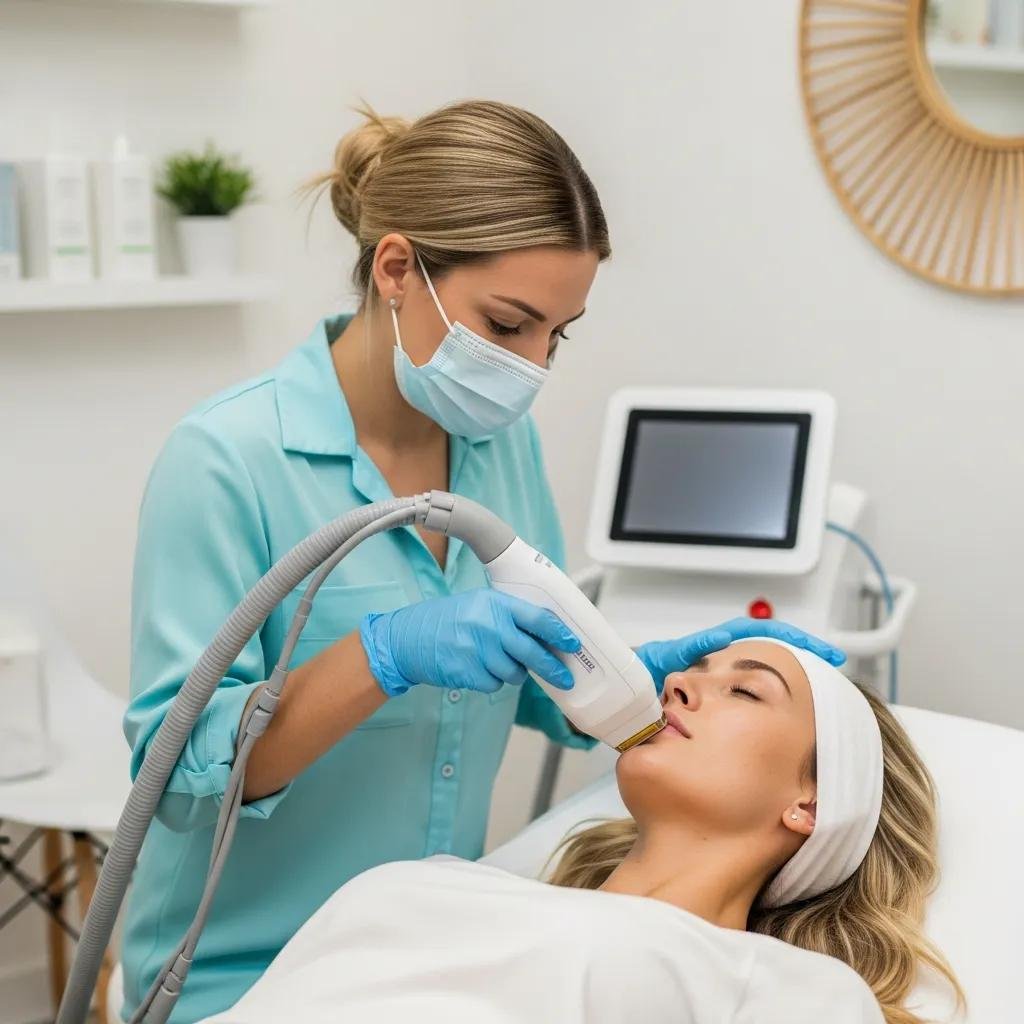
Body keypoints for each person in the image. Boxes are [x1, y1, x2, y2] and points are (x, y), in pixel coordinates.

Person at [119, 98, 843, 1022]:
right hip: (240, 972)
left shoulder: (498, 448)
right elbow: (175, 780)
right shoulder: (228, 460)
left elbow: (529, 675)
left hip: (433, 961)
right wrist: (381, 655)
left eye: (558, 332)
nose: (535, 364)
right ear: (396, 268)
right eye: (508, 326)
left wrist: (630, 673)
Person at [196, 641, 966, 1024]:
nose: (677, 684)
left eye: (745, 690)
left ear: (812, 800)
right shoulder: (446, 880)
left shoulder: (796, 993)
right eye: (692, 670)